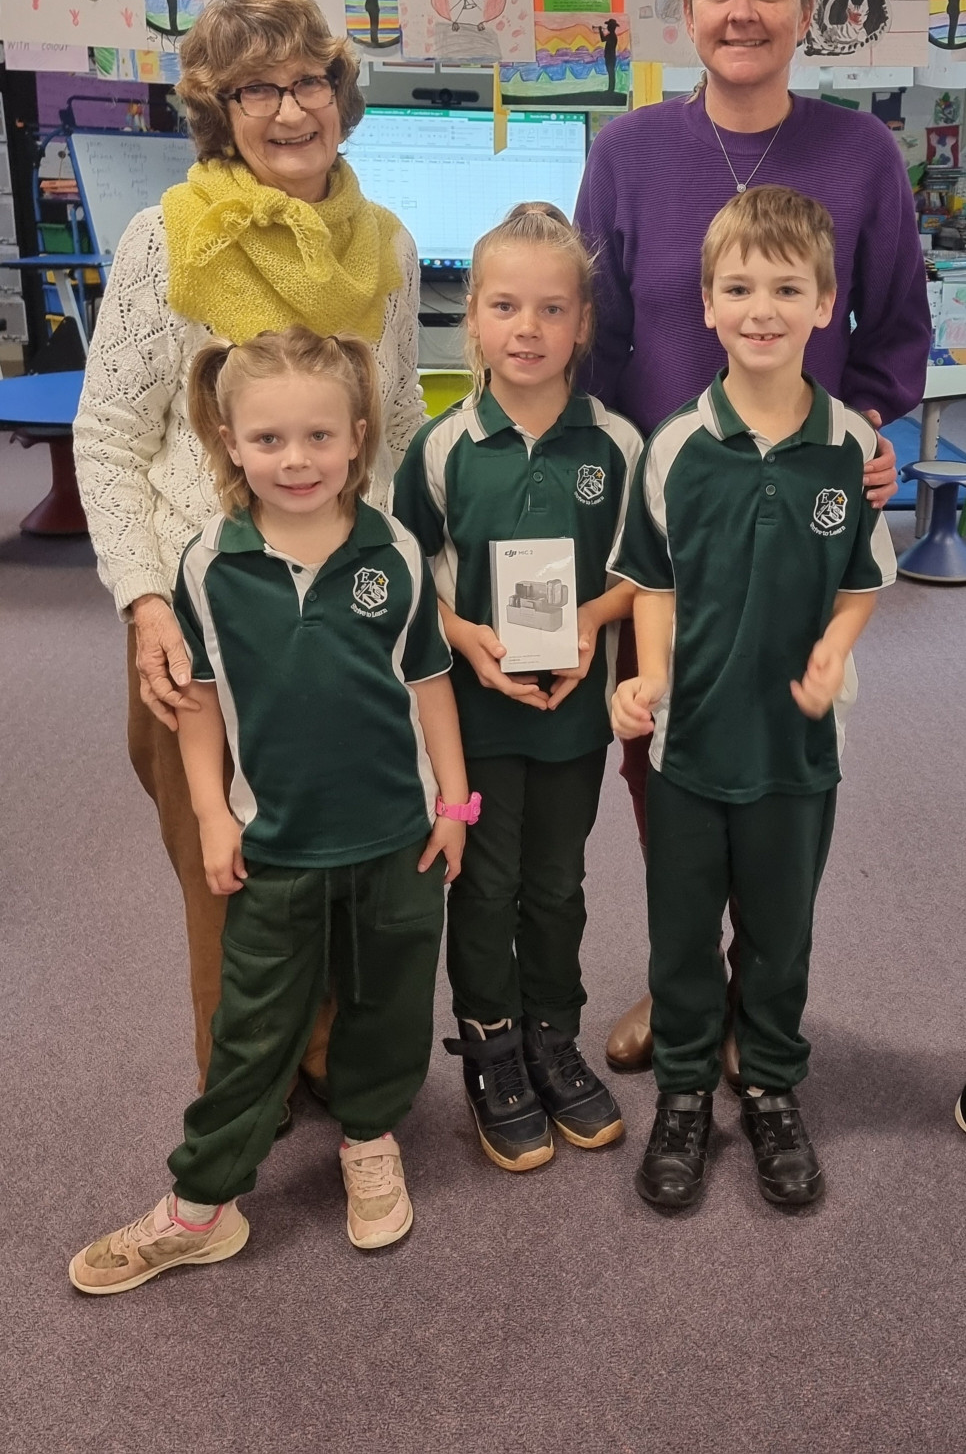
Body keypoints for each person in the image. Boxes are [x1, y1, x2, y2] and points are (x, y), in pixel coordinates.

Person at [574, 0, 930, 1073]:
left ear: (805, 9)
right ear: (686, 9)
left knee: (781, 748)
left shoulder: (864, 156)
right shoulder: (626, 155)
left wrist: (862, 429)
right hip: (663, 515)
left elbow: (893, 340)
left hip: (793, 518)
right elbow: (597, 340)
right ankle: (687, 985)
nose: (742, 10)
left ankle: (747, 987)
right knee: (658, 743)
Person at [74, 0, 426, 1114]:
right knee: (223, 861)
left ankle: (330, 1050)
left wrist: (418, 584)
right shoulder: (166, 237)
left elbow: (403, 424)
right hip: (207, 605)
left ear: (341, 92)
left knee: (338, 840)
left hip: (349, 601)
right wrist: (143, 601)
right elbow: (112, 434)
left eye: (308, 80)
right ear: (219, 110)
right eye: (255, 88)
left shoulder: (388, 246)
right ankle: (244, 1079)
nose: (288, 109)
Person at [69, 325, 470, 1293]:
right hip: (277, 842)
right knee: (252, 1023)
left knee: (387, 1001)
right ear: (229, 439)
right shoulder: (208, 564)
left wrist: (456, 800)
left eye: (320, 438)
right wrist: (211, 810)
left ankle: (369, 1140)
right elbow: (198, 699)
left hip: (397, 838)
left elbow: (428, 680)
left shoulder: (397, 551)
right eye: (271, 439)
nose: (297, 460)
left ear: (359, 437)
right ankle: (201, 1203)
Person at [610, 186, 896, 1210]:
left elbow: (863, 582)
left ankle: (771, 1081)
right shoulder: (676, 446)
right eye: (739, 286)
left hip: (797, 756)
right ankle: (685, 1089)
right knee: (681, 930)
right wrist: (647, 674)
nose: (761, 305)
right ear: (706, 303)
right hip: (690, 748)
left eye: (787, 286)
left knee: (781, 931)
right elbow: (654, 580)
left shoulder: (853, 453)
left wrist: (833, 648)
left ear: (827, 303)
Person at [392, 204, 643, 1171]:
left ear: (584, 323)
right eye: (505, 305)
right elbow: (411, 582)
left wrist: (590, 623)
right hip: (478, 717)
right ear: (474, 319)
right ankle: (491, 1042)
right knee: (486, 884)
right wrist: (463, 633)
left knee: (560, 882)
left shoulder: (616, 447)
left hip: (575, 714)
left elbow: (643, 575)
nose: (527, 328)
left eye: (551, 308)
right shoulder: (444, 448)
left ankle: (553, 1033)